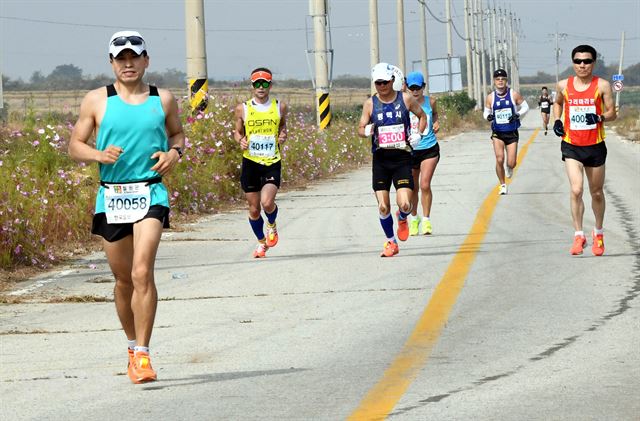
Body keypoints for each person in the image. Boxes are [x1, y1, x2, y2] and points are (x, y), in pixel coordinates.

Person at [68, 31, 185, 384]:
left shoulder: (162, 99)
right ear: (112, 63)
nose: (128, 63)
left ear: (147, 60)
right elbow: (75, 145)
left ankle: (145, 357)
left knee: (140, 273)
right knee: (122, 281)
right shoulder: (96, 100)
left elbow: (177, 135)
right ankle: (132, 346)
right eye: (121, 58)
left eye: (135, 57)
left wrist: (174, 154)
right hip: (112, 196)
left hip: (150, 193)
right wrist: (98, 155)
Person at [552, 44, 616, 256]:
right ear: (573, 63)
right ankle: (578, 235)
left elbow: (612, 113)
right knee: (576, 189)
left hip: (595, 145)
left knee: (596, 192)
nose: (582, 65)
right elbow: (558, 104)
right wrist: (557, 120)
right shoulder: (563, 85)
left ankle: (598, 233)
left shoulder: (603, 85)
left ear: (593, 63)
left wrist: (599, 118)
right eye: (578, 61)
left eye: (587, 61)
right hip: (571, 145)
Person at [358, 63, 426, 257]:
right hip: (381, 160)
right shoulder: (370, 104)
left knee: (405, 204)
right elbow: (361, 128)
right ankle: (390, 242)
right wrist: (366, 131)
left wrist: (418, 134)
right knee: (383, 206)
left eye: (385, 82)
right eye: (378, 83)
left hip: (402, 158)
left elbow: (422, 117)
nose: (382, 86)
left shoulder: (405, 99)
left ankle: (402, 217)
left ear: (392, 81)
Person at [233, 68, 287, 258]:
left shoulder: (280, 106)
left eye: (265, 83)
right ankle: (261, 243)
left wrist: (283, 135)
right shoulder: (243, 108)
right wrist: (240, 140)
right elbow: (237, 131)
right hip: (251, 162)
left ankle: (271, 225)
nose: (261, 87)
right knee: (254, 209)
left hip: (272, 160)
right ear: (252, 86)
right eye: (257, 84)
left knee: (267, 202)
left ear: (270, 85)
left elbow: (282, 127)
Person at [405, 71, 440, 236]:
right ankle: (414, 218)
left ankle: (426, 220)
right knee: (412, 187)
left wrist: (437, 122)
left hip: (429, 148)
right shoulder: (403, 104)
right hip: (410, 151)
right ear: (406, 87)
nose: (415, 91)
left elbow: (435, 115)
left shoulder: (431, 102)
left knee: (425, 184)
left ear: (423, 87)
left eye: (418, 88)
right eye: (411, 88)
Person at [483, 69, 529, 195]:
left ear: (506, 81)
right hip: (498, 132)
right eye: (498, 79)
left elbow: (526, 106)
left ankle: (510, 167)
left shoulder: (513, 94)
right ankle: (502, 184)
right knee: (499, 159)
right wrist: (488, 117)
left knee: (511, 162)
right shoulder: (490, 97)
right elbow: (486, 111)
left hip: (511, 132)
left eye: (503, 79)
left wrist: (517, 115)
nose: (500, 81)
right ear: (494, 81)